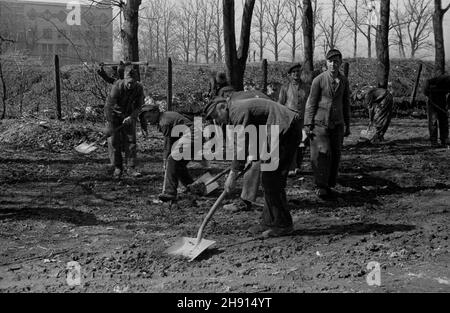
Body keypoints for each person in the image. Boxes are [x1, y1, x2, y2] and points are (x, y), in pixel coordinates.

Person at [203, 96, 302, 238]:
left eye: (216, 116)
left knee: (272, 180)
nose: (216, 121)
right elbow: (253, 134)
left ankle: (283, 224)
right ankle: (269, 222)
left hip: (287, 130)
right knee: (268, 179)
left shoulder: (237, 112)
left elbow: (241, 144)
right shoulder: (235, 111)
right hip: (277, 131)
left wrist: (232, 174)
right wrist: (253, 157)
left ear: (222, 107)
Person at [304, 49, 351, 199]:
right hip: (320, 123)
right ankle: (320, 186)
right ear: (326, 63)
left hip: (337, 123)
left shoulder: (343, 81)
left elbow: (346, 103)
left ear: (340, 63)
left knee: (336, 154)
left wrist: (347, 125)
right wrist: (308, 123)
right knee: (321, 153)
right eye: (330, 61)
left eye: (336, 61)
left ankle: (330, 183)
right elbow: (311, 103)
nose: (333, 64)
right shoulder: (318, 80)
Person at [139, 104, 203, 202]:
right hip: (196, 137)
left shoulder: (164, 121)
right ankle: (192, 187)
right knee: (178, 165)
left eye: (148, 117)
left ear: (156, 112)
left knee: (172, 160)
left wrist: (165, 161)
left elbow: (168, 145)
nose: (147, 120)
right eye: (145, 118)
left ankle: (169, 193)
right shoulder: (165, 117)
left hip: (193, 137)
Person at [104, 64, 144, 178]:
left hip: (129, 116)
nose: (130, 84)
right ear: (125, 79)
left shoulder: (139, 88)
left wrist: (132, 116)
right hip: (114, 115)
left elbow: (139, 106)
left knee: (131, 142)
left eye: (133, 81)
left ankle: (131, 168)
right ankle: (117, 167)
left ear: (136, 80)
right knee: (114, 141)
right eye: (129, 82)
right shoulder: (117, 87)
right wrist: (111, 124)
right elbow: (108, 106)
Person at [278, 63, 311, 176]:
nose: (296, 74)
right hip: (289, 121)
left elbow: (310, 103)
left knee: (302, 143)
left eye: (298, 71)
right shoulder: (285, 87)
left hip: (303, 120)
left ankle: (298, 165)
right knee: (290, 143)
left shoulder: (307, 87)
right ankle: (291, 167)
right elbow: (281, 104)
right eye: (294, 72)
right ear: (290, 75)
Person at [423, 74, 450, 147]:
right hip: (432, 99)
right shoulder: (444, 78)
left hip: (442, 99)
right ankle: (434, 142)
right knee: (433, 121)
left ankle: (444, 140)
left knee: (444, 120)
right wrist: (427, 94)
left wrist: (448, 106)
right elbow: (426, 83)